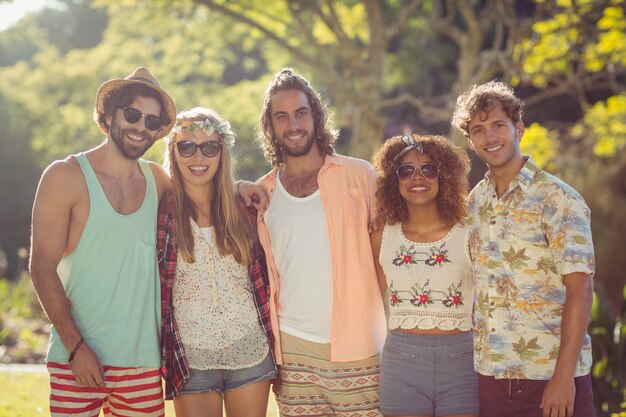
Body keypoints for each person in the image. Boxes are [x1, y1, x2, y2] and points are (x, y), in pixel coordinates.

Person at [29, 67, 175, 416]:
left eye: (153, 122)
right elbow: (41, 267)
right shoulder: (65, 176)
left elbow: (205, 202)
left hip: (142, 362)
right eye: (134, 114)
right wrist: (76, 347)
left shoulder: (158, 180)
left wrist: (240, 189)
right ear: (109, 114)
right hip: (77, 360)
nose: (142, 127)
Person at [451, 80, 596, 417]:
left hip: (549, 376)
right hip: (491, 377)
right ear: (471, 141)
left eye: (498, 125)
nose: (490, 137)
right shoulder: (474, 203)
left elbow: (581, 288)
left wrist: (563, 378)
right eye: (478, 130)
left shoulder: (559, 199)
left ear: (519, 128)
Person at [254, 68, 387, 416]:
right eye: (281, 116)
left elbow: (385, 260)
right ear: (271, 125)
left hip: (359, 344)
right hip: (292, 351)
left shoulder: (361, 176)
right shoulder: (262, 193)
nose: (293, 124)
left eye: (300, 113)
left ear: (315, 115)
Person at [157, 107, 277, 417]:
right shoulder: (160, 210)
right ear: (173, 151)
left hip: (250, 351)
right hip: (191, 360)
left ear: (221, 152)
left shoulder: (244, 208)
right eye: (186, 146)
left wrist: (237, 188)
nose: (198, 157)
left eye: (209, 146)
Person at [371, 134, 478, 417]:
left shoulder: (470, 231)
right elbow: (368, 296)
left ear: (445, 177)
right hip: (401, 363)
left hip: (462, 362)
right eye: (406, 170)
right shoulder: (382, 234)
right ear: (394, 181)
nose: (417, 177)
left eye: (429, 169)